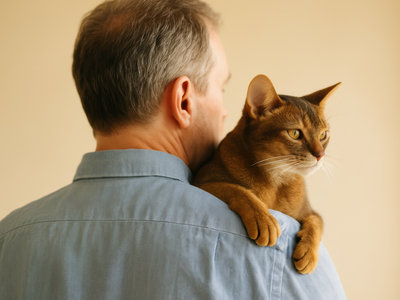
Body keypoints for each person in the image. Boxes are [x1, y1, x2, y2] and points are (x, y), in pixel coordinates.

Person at [0, 0, 347, 299]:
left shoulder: (9, 239)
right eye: (220, 89)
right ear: (183, 100)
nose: (227, 113)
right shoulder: (281, 249)